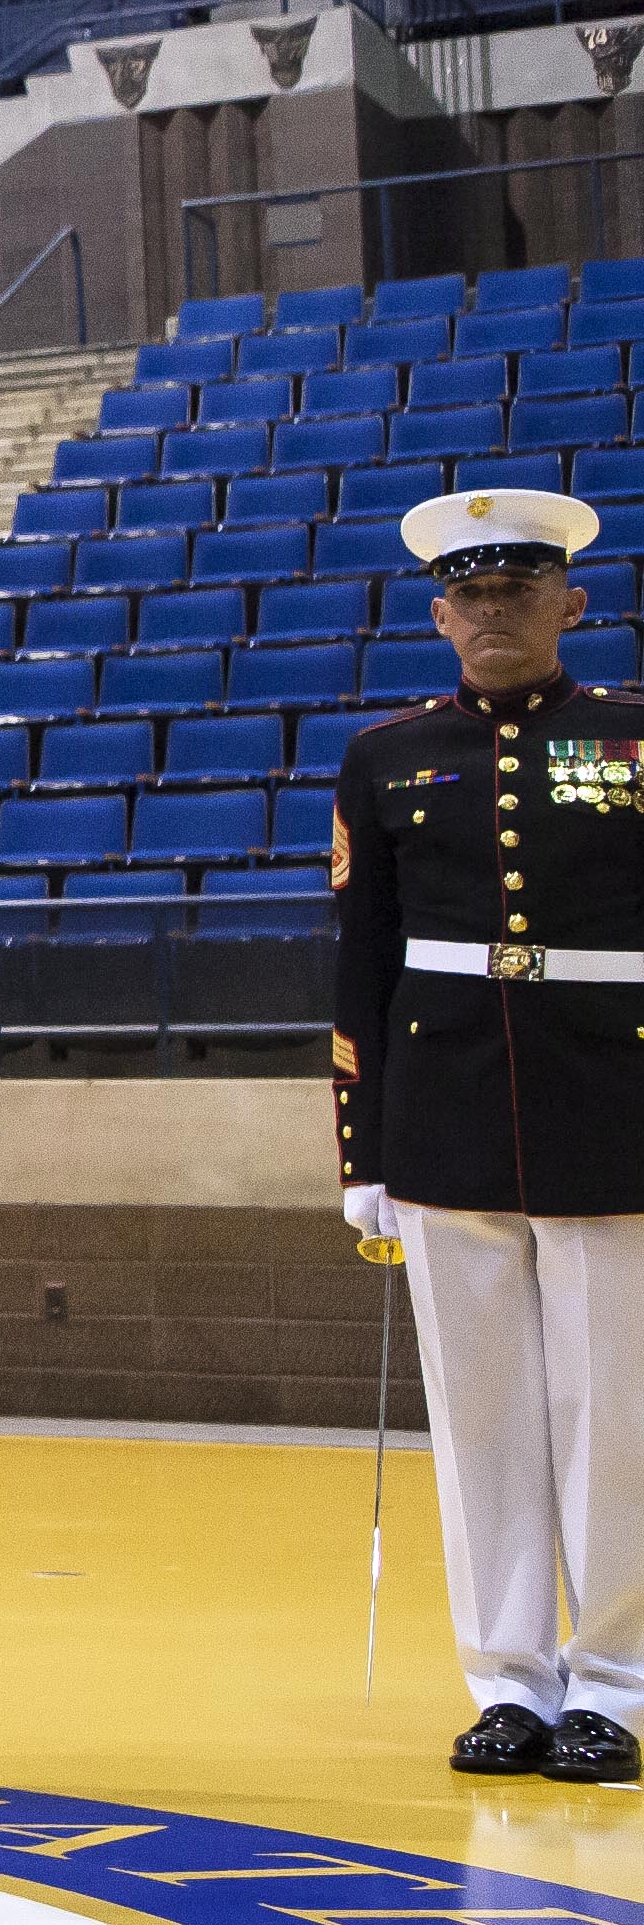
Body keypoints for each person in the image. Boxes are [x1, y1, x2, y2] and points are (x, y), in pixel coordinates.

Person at [332, 487, 639, 1787]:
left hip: (614, 1111)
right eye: (473, 595)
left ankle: (614, 1687)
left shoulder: (632, 741)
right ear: (442, 613)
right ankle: (507, 1676)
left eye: (522, 591)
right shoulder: (388, 757)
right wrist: (364, 1154)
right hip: (446, 1111)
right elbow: (360, 965)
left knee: (614, 1413)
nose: (495, 612)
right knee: (485, 1415)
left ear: (572, 603)